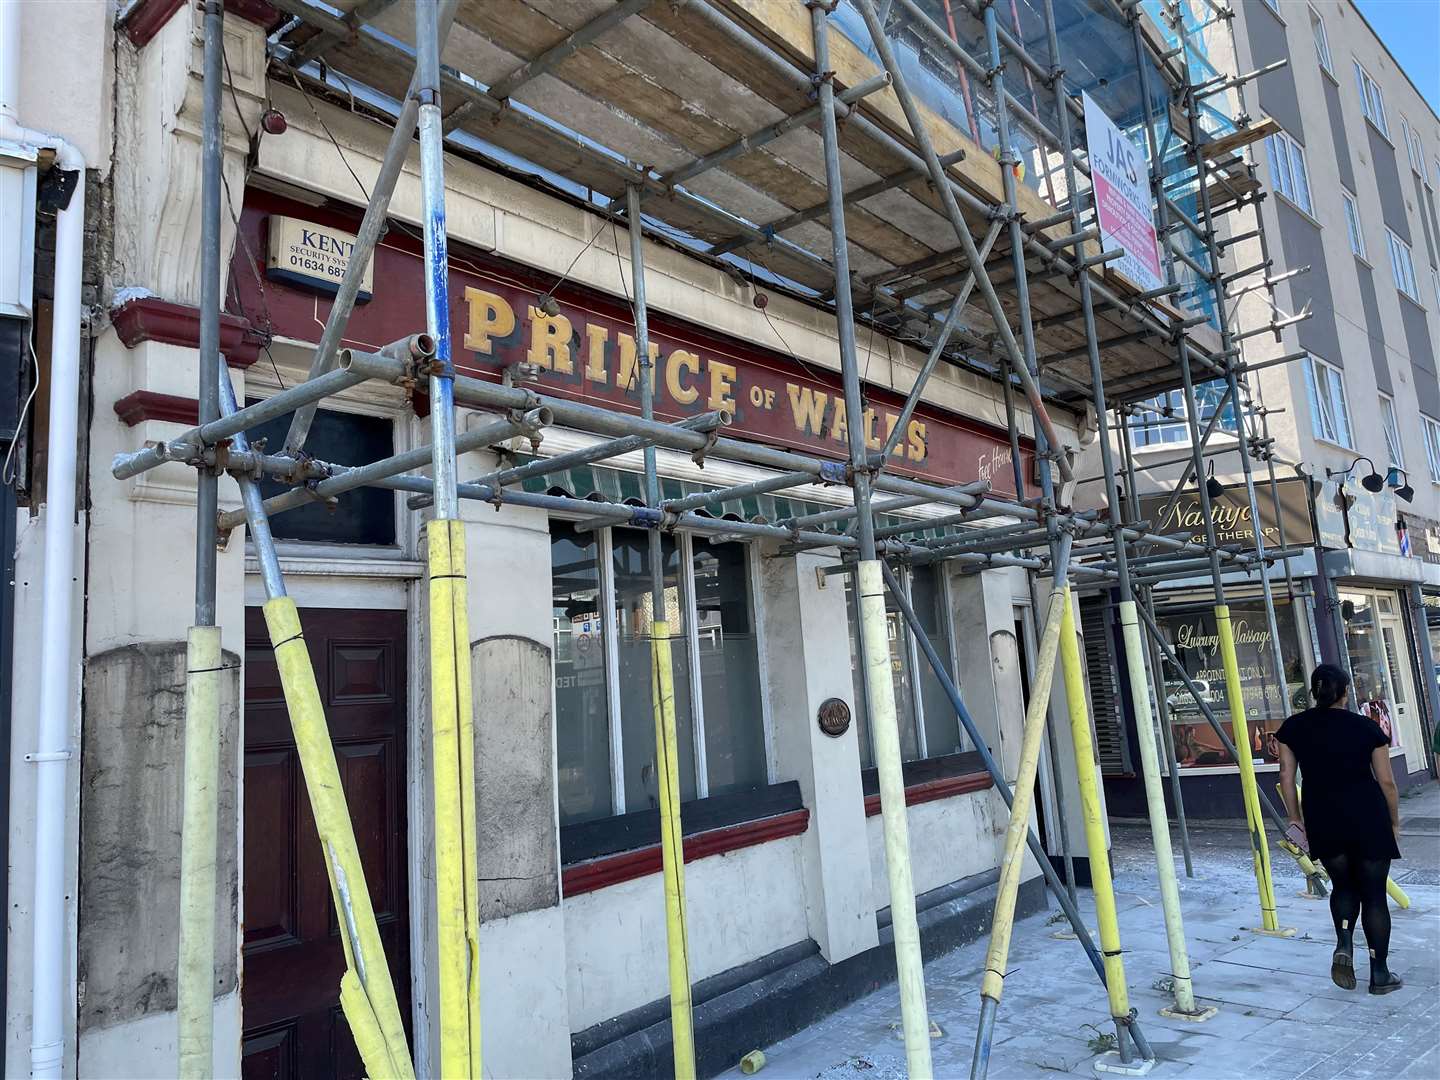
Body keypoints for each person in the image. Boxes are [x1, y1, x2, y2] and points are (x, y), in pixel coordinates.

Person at [1277, 664, 1402, 994]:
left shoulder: (1293, 728)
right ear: (1346, 692)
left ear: (1314, 693)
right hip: (1368, 816)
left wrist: (1295, 817)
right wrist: (1393, 820)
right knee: (1374, 896)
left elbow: (1286, 777)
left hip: (1323, 817)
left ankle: (1344, 940)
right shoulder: (1367, 728)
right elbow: (1387, 782)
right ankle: (1380, 973)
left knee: (1343, 887)